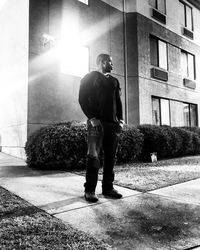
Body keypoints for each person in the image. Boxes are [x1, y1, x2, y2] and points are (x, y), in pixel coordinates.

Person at [78, 53, 125, 202]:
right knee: (93, 157)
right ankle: (90, 190)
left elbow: (118, 102)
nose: (113, 65)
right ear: (103, 62)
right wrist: (92, 118)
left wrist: (121, 120)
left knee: (111, 157)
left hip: (112, 125)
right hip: (96, 124)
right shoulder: (89, 77)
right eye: (110, 62)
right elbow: (82, 99)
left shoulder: (114, 81)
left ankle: (108, 188)